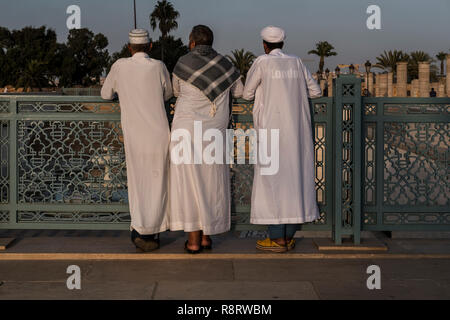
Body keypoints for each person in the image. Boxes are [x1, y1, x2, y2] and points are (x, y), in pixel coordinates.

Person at [243, 26, 322, 252]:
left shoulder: (262, 62)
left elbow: (247, 94)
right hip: (296, 133)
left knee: (272, 183)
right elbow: (315, 92)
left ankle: (277, 239)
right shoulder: (297, 62)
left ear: (265, 45)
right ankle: (287, 237)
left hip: (270, 131)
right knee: (294, 181)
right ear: (283, 44)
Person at [169, 25, 243, 254]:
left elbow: (176, 91)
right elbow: (239, 92)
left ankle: (192, 241)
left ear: (192, 43)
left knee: (189, 183)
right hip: (214, 130)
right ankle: (207, 237)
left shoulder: (183, 63)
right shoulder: (226, 64)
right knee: (212, 180)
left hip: (186, 129)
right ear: (210, 43)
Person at [101, 29, 173, 252]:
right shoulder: (159, 66)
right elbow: (168, 94)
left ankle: (141, 231)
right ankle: (155, 231)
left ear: (129, 47)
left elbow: (105, 94)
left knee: (138, 183)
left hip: (135, 136)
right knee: (159, 184)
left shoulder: (120, 66)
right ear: (149, 47)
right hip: (160, 133)